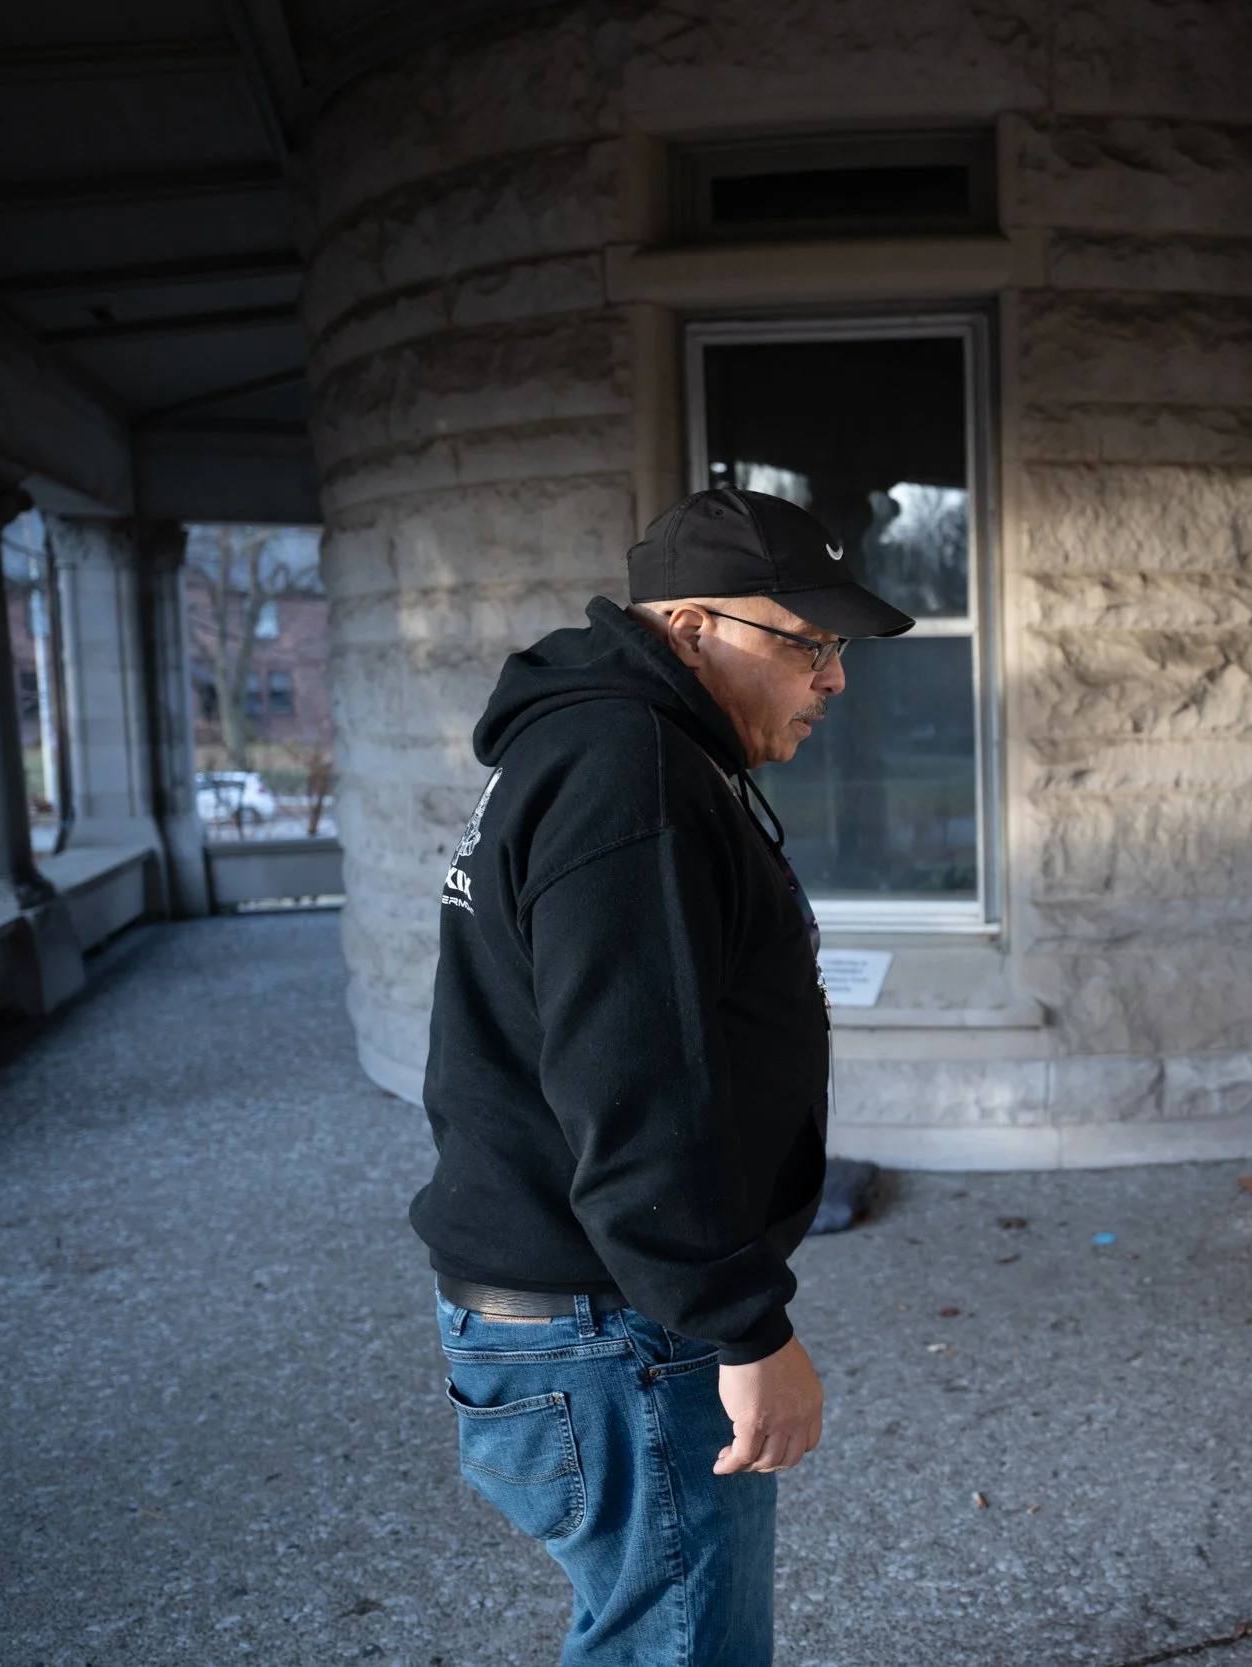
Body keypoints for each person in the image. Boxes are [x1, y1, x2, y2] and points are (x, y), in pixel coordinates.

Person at [410, 486, 913, 1665]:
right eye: (808, 644)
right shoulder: (625, 773)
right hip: (617, 1326)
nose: (834, 679)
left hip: (590, 1309)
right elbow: (636, 1090)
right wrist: (746, 1330)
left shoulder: (614, 749)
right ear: (691, 627)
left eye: (835, 646)